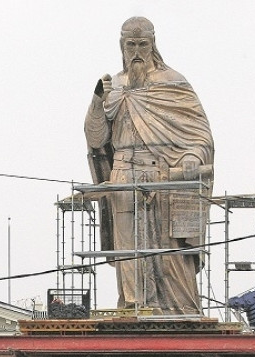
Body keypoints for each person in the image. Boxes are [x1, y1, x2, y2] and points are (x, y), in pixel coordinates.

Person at [85, 16, 214, 317]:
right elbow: (96, 138)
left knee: (168, 250)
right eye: (131, 45)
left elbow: (200, 135)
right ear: (122, 46)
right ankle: (133, 306)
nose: (137, 51)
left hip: (163, 175)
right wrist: (96, 102)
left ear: (153, 44)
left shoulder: (173, 84)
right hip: (122, 176)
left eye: (143, 44)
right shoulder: (113, 86)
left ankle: (178, 308)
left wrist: (193, 155)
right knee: (130, 249)